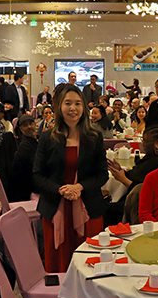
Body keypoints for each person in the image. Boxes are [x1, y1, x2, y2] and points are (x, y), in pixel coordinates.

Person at [34, 84, 107, 272]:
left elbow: (102, 174)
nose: (72, 108)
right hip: (55, 207)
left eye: (77, 103)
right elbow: (37, 175)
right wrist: (61, 189)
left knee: (89, 263)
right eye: (68, 103)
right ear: (60, 106)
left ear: (84, 107)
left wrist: (80, 187)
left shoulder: (94, 137)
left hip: (88, 206)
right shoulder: (48, 138)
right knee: (59, 263)